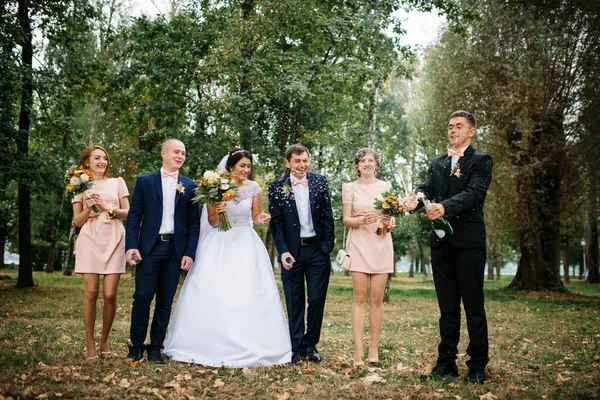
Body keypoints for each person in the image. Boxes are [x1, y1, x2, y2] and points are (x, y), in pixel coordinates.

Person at [164, 149, 292, 367]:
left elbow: (255, 216)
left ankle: (253, 341)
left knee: (248, 290)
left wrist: (263, 218)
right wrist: (219, 209)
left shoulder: (254, 188)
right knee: (216, 289)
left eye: (249, 166)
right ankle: (211, 341)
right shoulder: (215, 187)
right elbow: (212, 221)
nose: (246, 170)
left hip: (246, 242)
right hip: (220, 242)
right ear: (232, 166)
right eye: (242, 165)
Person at [405, 111, 493, 383]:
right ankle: (446, 364)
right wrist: (415, 201)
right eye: (450, 126)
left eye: (459, 126)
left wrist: (445, 206)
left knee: (474, 307)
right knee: (447, 308)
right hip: (441, 243)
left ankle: (477, 366)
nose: (453, 130)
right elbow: (426, 189)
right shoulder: (438, 162)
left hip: (469, 244)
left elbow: (474, 193)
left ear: (471, 132)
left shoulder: (481, 161)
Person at [125, 138, 200, 364]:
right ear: (163, 153)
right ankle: (136, 345)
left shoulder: (191, 186)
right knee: (142, 297)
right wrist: (131, 245)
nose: (180, 156)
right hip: (150, 248)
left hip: (175, 250)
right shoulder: (145, 182)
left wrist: (190, 252)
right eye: (176, 151)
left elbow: (194, 222)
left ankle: (156, 347)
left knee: (165, 301)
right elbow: (134, 215)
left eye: (183, 153)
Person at [268, 144, 335, 365]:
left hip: (317, 250)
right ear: (287, 163)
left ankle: (310, 345)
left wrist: (326, 247)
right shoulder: (276, 186)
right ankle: (296, 348)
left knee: (316, 299)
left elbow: (328, 216)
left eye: (305, 160)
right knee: (294, 299)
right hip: (292, 252)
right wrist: (283, 251)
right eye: (297, 161)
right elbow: (276, 224)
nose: (302, 165)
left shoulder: (320, 182)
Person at [72, 144, 130, 360]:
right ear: (87, 162)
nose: (102, 162)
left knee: (110, 294)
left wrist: (109, 209)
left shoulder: (117, 182)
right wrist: (90, 207)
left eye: (104, 158)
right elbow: (77, 221)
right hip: (90, 238)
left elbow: (129, 213)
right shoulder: (78, 185)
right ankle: (90, 344)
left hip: (114, 237)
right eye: (97, 158)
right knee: (91, 293)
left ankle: (104, 340)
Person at [341, 148, 394, 367]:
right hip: (359, 244)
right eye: (362, 161)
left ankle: (374, 350)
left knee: (376, 299)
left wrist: (387, 221)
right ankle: (358, 353)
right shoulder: (349, 187)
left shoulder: (386, 187)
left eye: (371, 160)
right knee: (360, 298)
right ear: (357, 166)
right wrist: (361, 220)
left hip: (381, 245)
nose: (367, 164)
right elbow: (346, 219)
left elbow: (391, 220)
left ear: (376, 164)